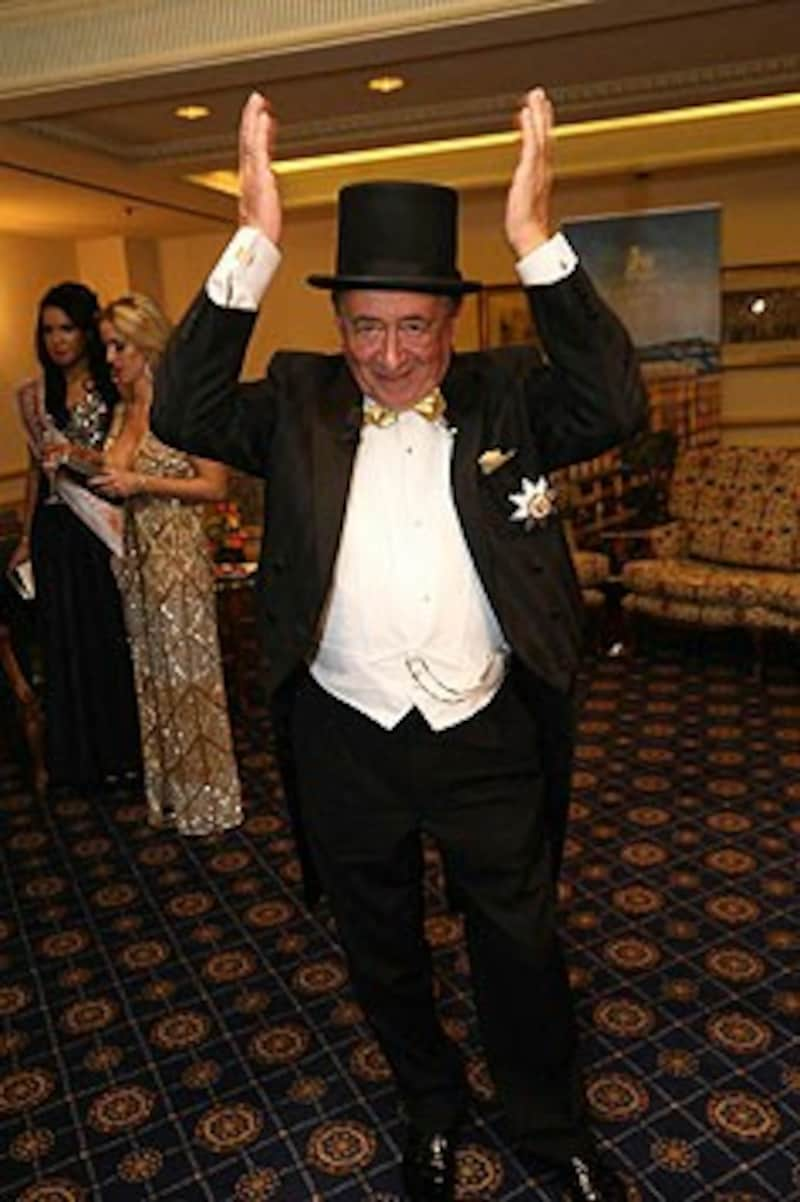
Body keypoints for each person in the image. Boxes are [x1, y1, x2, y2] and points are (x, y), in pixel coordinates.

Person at [153, 89, 646, 1201]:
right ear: (339, 327)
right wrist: (256, 237)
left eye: (411, 326)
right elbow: (181, 408)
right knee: (380, 948)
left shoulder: (511, 397)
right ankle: (428, 1102)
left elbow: (615, 402)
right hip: (345, 733)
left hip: (484, 729)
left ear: (451, 322)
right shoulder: (292, 400)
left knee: (518, 945)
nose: (386, 355)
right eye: (363, 326)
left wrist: (532, 236)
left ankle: (548, 1123)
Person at [91, 292, 243, 837]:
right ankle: (171, 798)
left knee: (190, 680)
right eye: (107, 345)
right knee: (151, 679)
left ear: (148, 344)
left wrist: (141, 483)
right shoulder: (119, 410)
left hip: (177, 557)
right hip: (132, 559)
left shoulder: (182, 404)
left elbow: (215, 484)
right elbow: (116, 477)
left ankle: (212, 802)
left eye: (120, 345)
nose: (110, 357)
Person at [11, 282, 141, 794]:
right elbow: (32, 472)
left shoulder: (113, 391)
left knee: (106, 640)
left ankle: (121, 755)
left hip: (100, 530)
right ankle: (77, 762)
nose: (58, 340)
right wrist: (25, 537)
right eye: (48, 331)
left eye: (67, 328)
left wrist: (74, 455)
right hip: (54, 531)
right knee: (62, 643)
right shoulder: (34, 396)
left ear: (87, 331)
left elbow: (119, 463)